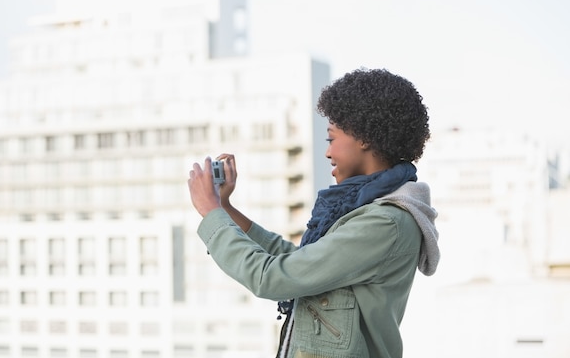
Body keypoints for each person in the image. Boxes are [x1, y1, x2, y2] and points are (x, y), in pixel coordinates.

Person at [187, 68, 440, 358]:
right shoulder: (364, 211)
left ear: (364, 137)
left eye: (331, 139)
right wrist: (225, 209)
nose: (327, 153)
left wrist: (211, 212)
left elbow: (273, 277)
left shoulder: (384, 223)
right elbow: (295, 263)